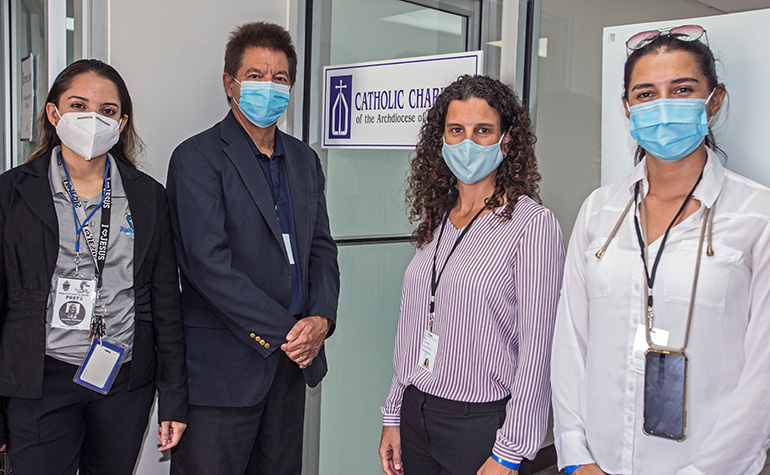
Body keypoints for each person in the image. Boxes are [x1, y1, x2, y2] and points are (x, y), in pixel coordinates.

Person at [551, 25, 770, 475]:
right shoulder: (600, 210)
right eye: (646, 94)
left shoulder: (757, 215)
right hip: (598, 463)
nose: (663, 106)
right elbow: (571, 341)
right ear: (628, 108)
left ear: (715, 100)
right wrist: (575, 455)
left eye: (682, 89)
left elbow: (763, 374)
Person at [166, 22, 340, 474]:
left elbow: (322, 249)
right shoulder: (196, 158)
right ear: (231, 84)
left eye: (280, 78)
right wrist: (293, 333)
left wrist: (320, 319)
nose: (270, 86)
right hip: (223, 373)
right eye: (257, 75)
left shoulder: (304, 161)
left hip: (289, 371)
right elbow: (208, 267)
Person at [0, 59, 188, 474]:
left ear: (121, 123)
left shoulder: (147, 197)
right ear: (54, 113)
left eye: (106, 111)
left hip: (123, 378)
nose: (93, 119)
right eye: (79, 105)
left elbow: (166, 304)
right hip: (39, 379)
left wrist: (173, 397)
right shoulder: (12, 193)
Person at [379, 75, 565, 475]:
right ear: (441, 140)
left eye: (483, 130)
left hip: (479, 426)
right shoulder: (438, 219)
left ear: (507, 140)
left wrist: (510, 450)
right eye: (456, 130)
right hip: (417, 411)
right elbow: (413, 324)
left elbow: (539, 350)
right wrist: (394, 412)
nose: (467, 143)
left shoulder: (532, 225)